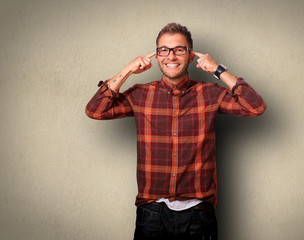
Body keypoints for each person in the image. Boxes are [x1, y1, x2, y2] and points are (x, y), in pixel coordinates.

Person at [86, 23, 266, 240]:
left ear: (190, 56)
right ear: (157, 56)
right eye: (164, 50)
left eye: (179, 50)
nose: (171, 56)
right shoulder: (140, 95)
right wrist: (127, 70)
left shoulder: (209, 93)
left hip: (199, 215)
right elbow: (95, 110)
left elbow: (255, 106)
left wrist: (218, 70)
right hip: (151, 214)